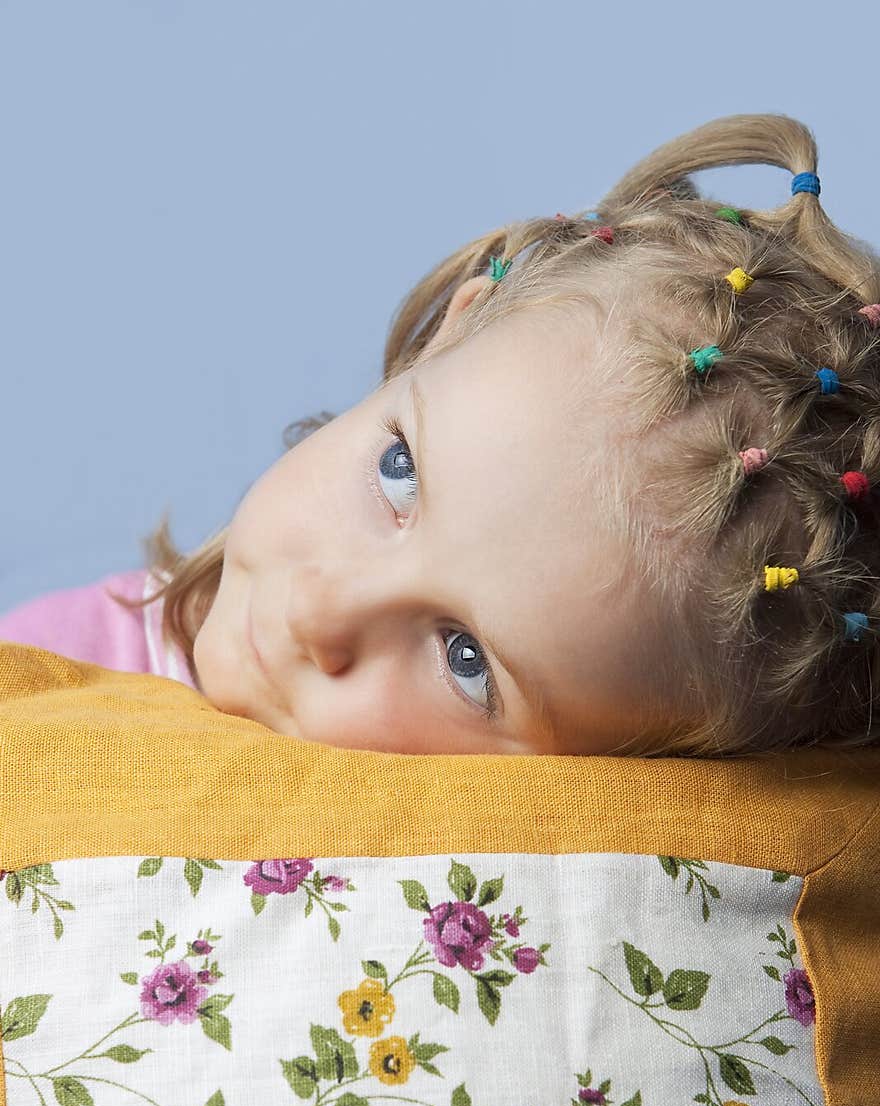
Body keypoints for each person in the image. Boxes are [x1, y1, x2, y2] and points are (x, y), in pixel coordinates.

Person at [2, 112, 878, 756]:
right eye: (397, 472)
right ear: (444, 336)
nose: (318, 610)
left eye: (466, 661)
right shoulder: (50, 675)